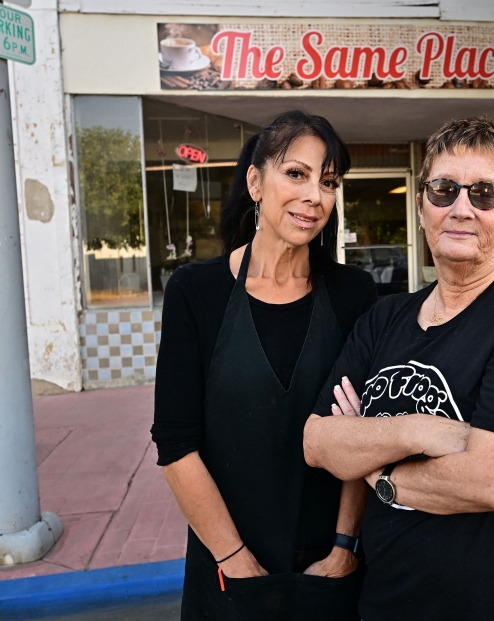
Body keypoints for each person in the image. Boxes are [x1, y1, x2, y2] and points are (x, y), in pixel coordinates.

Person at [304, 117, 494, 620]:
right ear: (422, 206)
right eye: (444, 190)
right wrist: (419, 430)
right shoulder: (383, 320)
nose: (462, 208)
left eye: (486, 193)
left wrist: (374, 465)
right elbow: (318, 442)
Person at [151, 110, 378, 621]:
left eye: (328, 181)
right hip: (229, 574)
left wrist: (345, 547)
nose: (314, 196)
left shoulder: (353, 295)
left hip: (329, 572)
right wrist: (233, 559)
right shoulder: (196, 293)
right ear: (255, 181)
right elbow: (175, 443)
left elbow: (367, 433)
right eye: (295, 173)